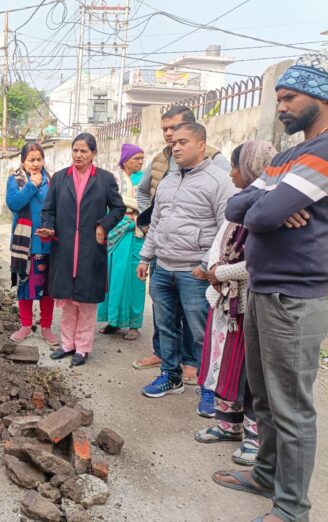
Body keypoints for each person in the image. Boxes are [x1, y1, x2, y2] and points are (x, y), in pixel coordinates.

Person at [214, 51, 328, 522]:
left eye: (290, 97)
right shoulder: (287, 155)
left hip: (295, 297)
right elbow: (236, 206)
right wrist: (271, 205)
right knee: (261, 396)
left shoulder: (323, 153)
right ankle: (265, 475)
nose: (281, 106)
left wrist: (268, 206)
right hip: (264, 288)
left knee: (291, 407)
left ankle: (291, 508)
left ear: (320, 96)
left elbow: (257, 213)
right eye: (278, 97)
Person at [136, 122, 235, 411]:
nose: (176, 147)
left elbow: (226, 229)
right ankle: (170, 375)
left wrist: (207, 265)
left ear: (202, 145)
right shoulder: (166, 181)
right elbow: (156, 224)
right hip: (163, 267)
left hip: (195, 272)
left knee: (202, 331)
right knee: (165, 327)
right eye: (173, 142)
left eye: (184, 142)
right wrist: (145, 257)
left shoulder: (219, 181)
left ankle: (208, 386)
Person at [194, 140, 276, 467]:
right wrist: (214, 268)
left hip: (246, 302)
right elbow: (220, 241)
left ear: (252, 168)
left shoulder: (266, 208)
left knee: (249, 372)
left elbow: (256, 262)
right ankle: (229, 424)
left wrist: (220, 272)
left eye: (236, 166)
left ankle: (255, 439)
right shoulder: (239, 205)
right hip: (225, 300)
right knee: (226, 363)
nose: (231, 173)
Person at [37, 133, 126, 367]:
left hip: (90, 248)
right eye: (75, 150)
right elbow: (49, 211)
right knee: (66, 300)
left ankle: (83, 347)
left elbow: (118, 208)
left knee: (86, 302)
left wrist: (103, 226)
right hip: (64, 247)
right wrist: (47, 227)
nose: (78, 155)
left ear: (93, 153)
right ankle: (67, 344)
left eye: (83, 151)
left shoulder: (105, 179)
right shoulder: (59, 178)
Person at [6, 143, 59, 346]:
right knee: (25, 286)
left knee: (48, 288)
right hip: (25, 244)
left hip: (48, 243)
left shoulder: (52, 180)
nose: (35, 164)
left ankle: (46, 327)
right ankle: (26, 326)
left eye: (39, 159)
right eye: (31, 160)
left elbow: (57, 208)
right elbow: (14, 203)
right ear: (23, 161)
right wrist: (32, 185)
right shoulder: (16, 180)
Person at [97, 144, 146, 341]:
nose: (141, 162)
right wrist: (126, 209)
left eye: (142, 158)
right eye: (136, 158)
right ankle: (113, 320)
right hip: (116, 233)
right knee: (114, 277)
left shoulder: (145, 179)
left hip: (135, 234)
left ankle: (134, 324)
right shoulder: (114, 180)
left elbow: (147, 205)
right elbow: (108, 203)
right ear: (125, 160)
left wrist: (128, 209)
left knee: (135, 280)